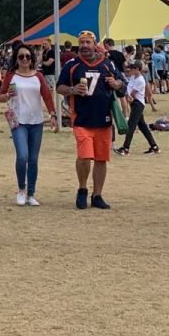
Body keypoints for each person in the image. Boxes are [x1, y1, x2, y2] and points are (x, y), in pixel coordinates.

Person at [56, 31, 124, 210]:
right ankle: (82, 189)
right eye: (82, 42)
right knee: (84, 156)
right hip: (82, 119)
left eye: (88, 42)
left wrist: (115, 84)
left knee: (101, 159)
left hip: (103, 119)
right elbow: (59, 87)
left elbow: (122, 82)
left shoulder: (107, 63)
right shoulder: (72, 65)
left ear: (95, 44)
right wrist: (72, 90)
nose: (85, 45)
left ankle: (97, 194)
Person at [0, 44, 56, 206]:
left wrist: (53, 114)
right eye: (21, 56)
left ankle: (31, 193)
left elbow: (47, 96)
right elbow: (0, 96)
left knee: (33, 159)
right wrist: (7, 96)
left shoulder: (38, 76)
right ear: (16, 59)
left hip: (36, 121)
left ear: (32, 58)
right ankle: (21, 190)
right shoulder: (11, 76)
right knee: (22, 156)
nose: (24, 59)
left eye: (27, 56)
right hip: (18, 122)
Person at [114, 60, 159, 156]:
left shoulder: (140, 80)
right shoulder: (133, 77)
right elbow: (128, 89)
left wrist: (128, 97)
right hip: (134, 103)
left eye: (133, 68)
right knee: (142, 126)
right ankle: (154, 146)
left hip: (138, 104)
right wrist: (126, 95)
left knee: (131, 125)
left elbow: (133, 94)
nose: (130, 70)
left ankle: (125, 148)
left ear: (138, 69)